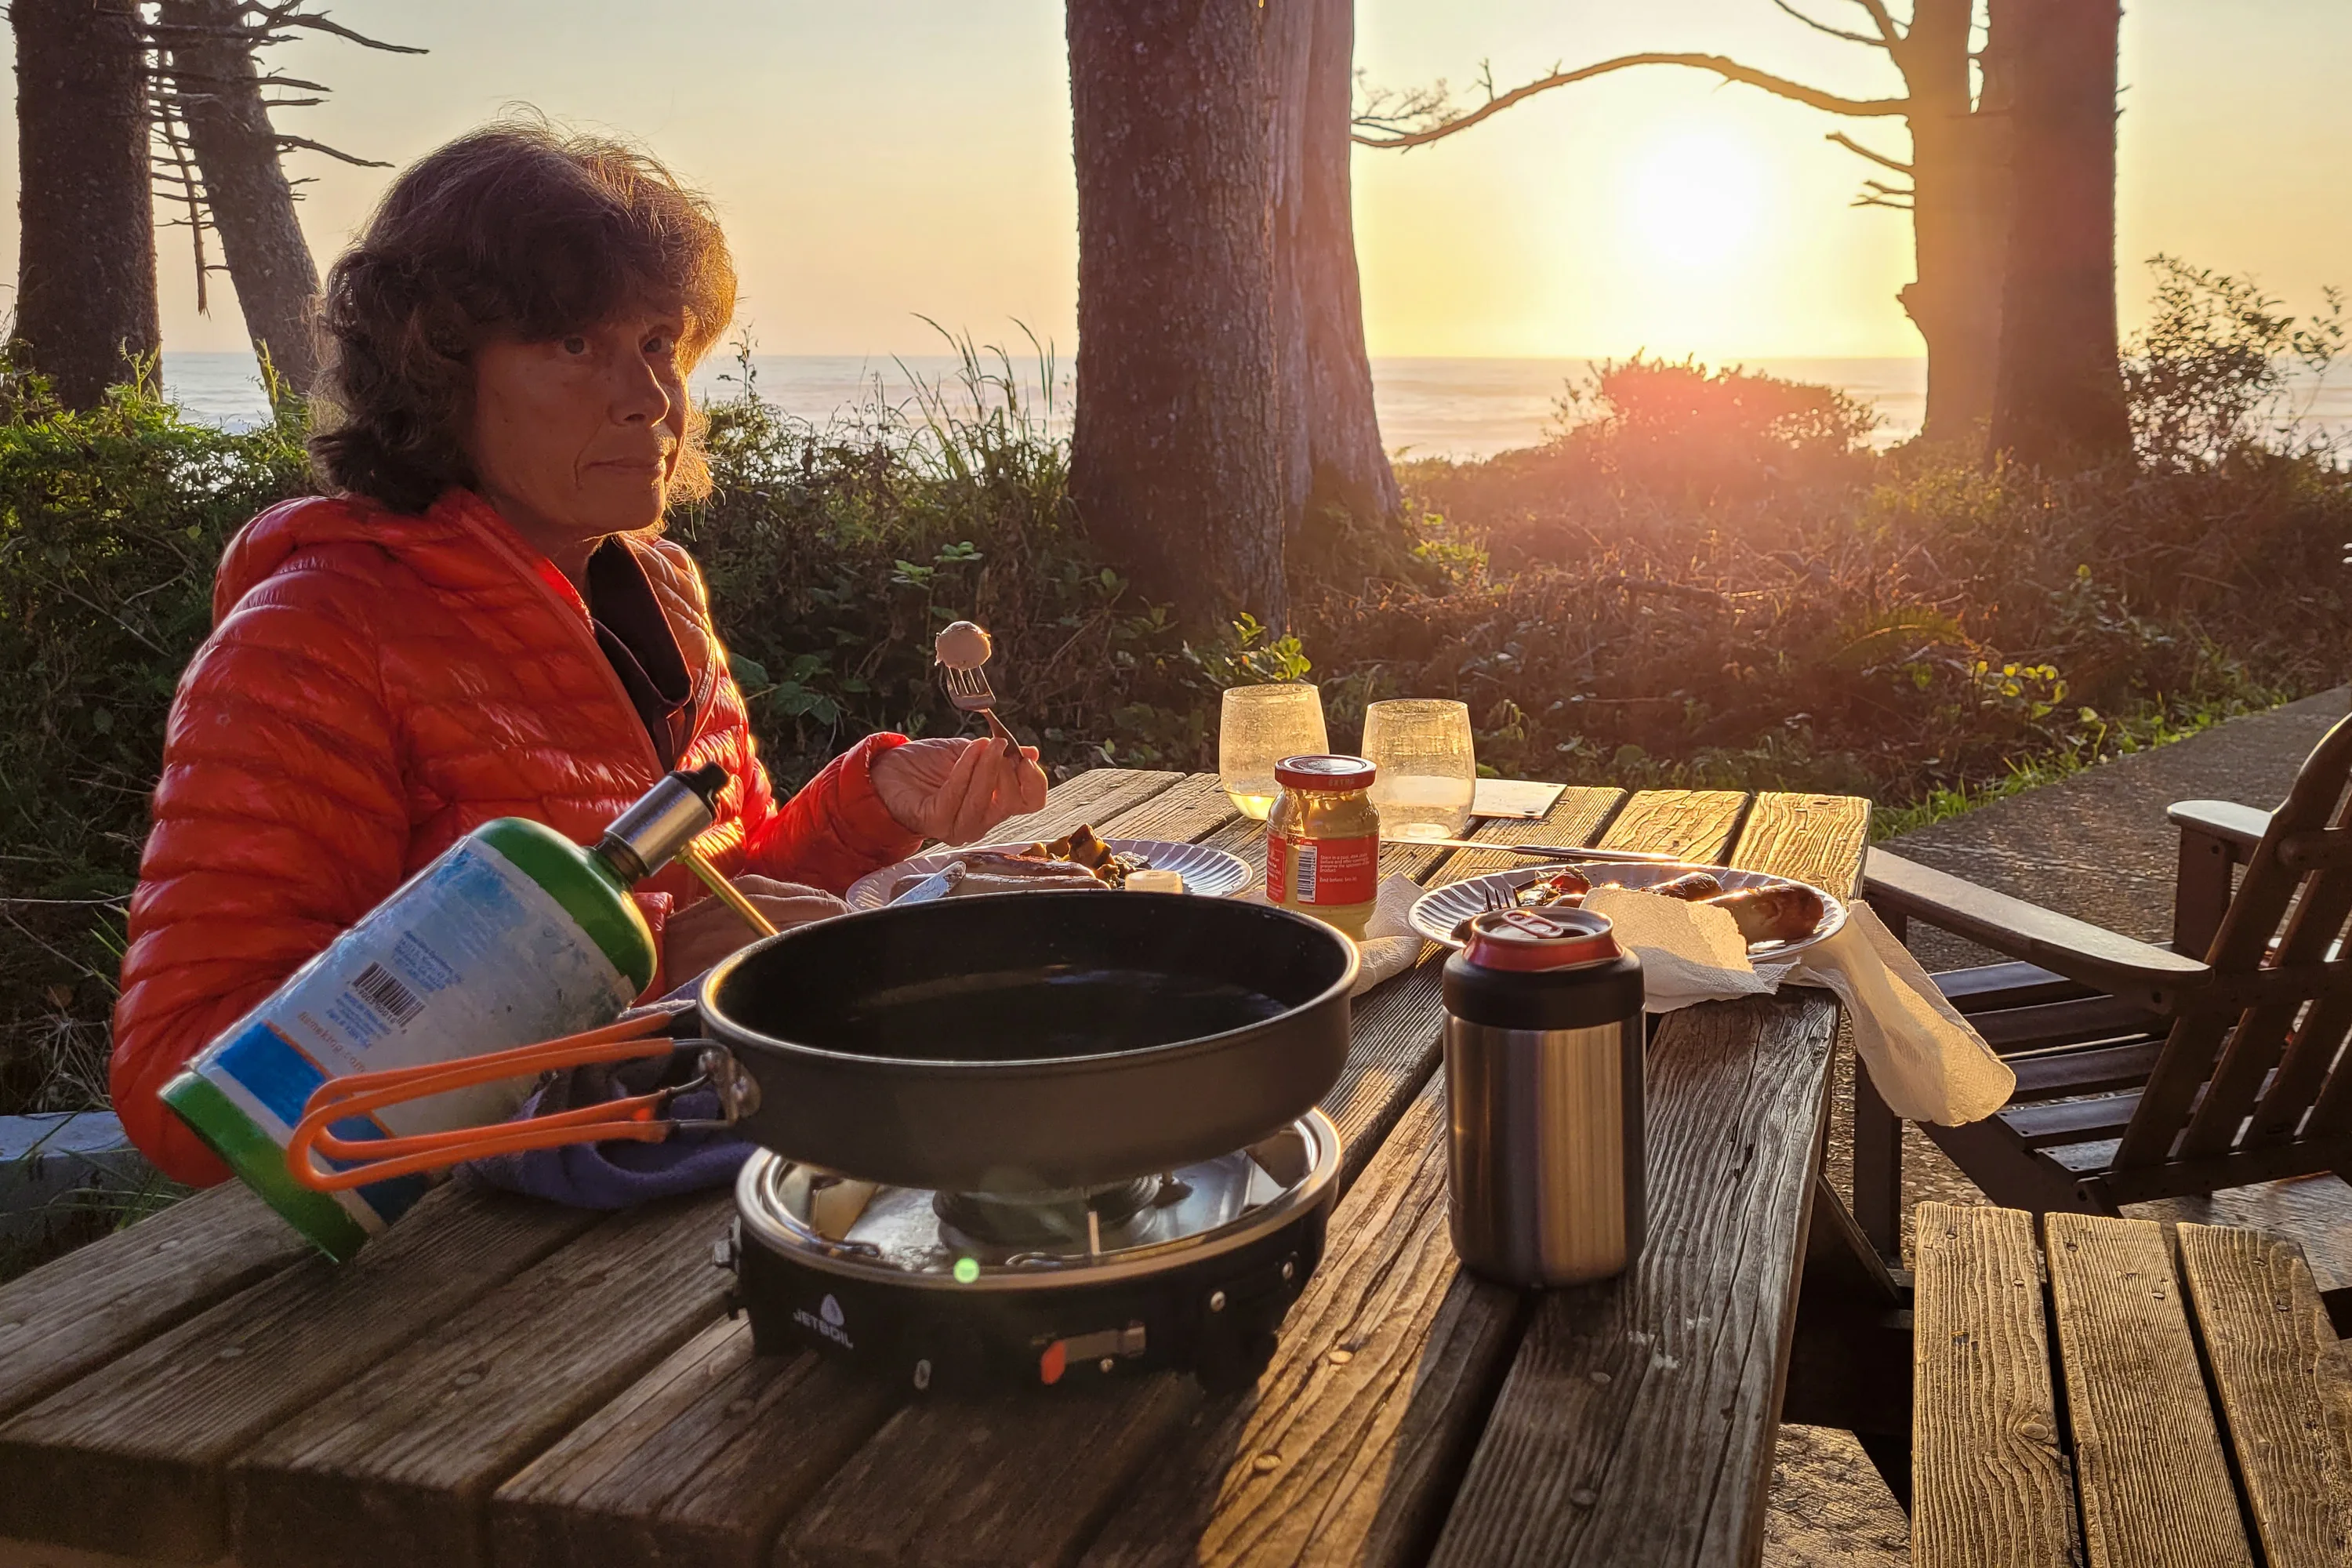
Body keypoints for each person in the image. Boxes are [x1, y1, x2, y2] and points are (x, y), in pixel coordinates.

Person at [111, 123, 1047, 1185]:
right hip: (454, 1281)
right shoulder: (315, 637)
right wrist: (622, 982)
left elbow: (720, 904)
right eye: (573, 345)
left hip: (688, 1187)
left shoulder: (660, 592)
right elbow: (183, 1092)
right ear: (437, 371)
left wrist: (878, 801)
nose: (649, 397)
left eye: (658, 342)